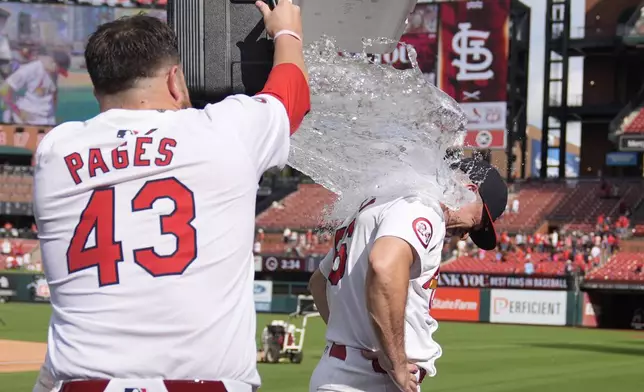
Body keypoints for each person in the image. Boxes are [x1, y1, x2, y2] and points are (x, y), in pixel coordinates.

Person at [32, 1, 309, 392]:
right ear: (175, 80)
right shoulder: (224, 131)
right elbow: (290, 97)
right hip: (201, 383)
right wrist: (287, 33)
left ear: (97, 87)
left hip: (83, 383)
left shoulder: (55, 152)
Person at [308, 158, 508, 392]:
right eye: (478, 221)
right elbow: (384, 267)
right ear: (468, 191)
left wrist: (353, 339)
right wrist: (395, 361)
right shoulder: (422, 206)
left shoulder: (382, 203)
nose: (465, 236)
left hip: (340, 371)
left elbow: (318, 284)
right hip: (371, 380)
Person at [0, 49, 71, 125]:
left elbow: (53, 93)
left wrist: (52, 113)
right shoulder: (31, 69)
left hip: (46, 120)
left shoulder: (53, 73)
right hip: (26, 120)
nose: (58, 73)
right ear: (52, 62)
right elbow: (4, 89)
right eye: (58, 70)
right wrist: (17, 111)